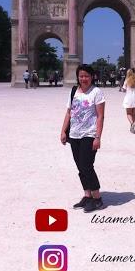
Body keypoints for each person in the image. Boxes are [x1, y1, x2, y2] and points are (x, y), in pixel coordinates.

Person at [60, 64, 106, 213]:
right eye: (81, 76)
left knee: (87, 165)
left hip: (89, 134)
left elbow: (100, 116)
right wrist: (63, 131)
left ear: (92, 77)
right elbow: (69, 113)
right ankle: (87, 195)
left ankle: (97, 198)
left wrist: (97, 137)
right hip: (74, 134)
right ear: (77, 77)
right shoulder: (74, 91)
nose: (84, 78)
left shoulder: (96, 92)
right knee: (80, 166)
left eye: (86, 76)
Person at [122, 68, 135, 133]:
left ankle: (132, 124)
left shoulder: (127, 80)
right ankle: (132, 127)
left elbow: (124, 89)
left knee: (128, 113)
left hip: (129, 98)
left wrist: (124, 89)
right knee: (133, 113)